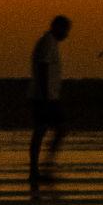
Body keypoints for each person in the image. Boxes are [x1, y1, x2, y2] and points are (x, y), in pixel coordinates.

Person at [28, 16, 71, 188]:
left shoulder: (50, 42)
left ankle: (39, 169)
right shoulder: (47, 42)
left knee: (42, 131)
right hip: (44, 97)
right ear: (57, 27)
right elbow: (43, 67)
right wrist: (46, 97)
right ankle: (41, 168)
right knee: (54, 129)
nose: (66, 34)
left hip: (48, 96)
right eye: (65, 30)